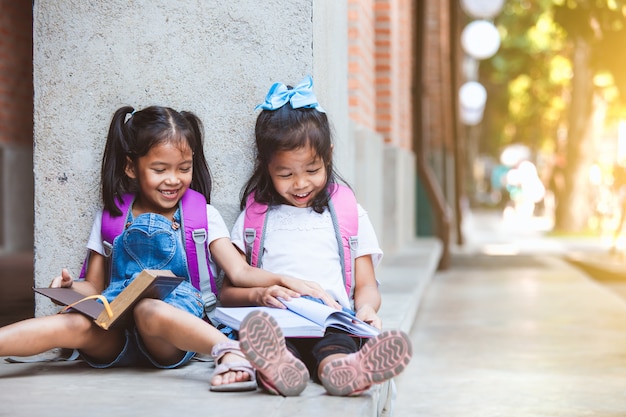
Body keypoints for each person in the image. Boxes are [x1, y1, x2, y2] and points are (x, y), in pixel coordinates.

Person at [0, 105, 331, 392]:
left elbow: (239, 271)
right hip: (114, 324)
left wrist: (286, 282)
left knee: (148, 310)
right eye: (160, 169)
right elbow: (95, 286)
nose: (174, 179)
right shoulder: (112, 216)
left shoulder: (202, 215)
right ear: (132, 167)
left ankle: (231, 351)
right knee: (70, 326)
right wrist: (71, 289)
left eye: (183, 168)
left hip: (170, 332)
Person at [219, 76, 413, 397]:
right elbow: (228, 291)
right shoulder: (255, 216)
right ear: (266, 166)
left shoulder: (348, 211)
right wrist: (261, 294)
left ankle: (343, 371)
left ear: (329, 157)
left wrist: (366, 309)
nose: (300, 184)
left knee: (336, 349)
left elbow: (366, 284)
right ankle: (279, 369)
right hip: (278, 322)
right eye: (285, 174)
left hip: (332, 321)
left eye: (312, 170)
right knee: (274, 345)